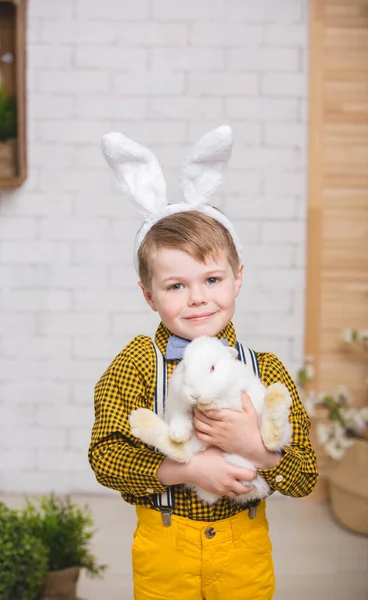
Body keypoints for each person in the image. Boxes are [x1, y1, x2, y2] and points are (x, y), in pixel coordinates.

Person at [88, 126, 318, 600]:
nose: (197, 299)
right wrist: (187, 469)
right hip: (164, 547)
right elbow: (105, 458)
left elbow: (304, 477)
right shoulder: (135, 364)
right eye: (176, 286)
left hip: (243, 549)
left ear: (237, 279)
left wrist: (255, 447)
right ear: (149, 295)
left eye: (211, 279)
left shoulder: (265, 368)